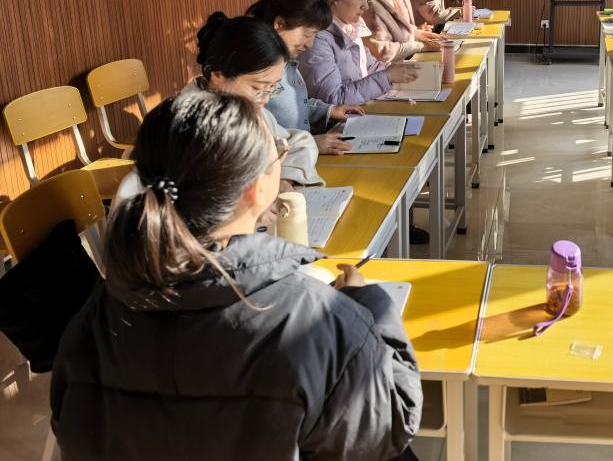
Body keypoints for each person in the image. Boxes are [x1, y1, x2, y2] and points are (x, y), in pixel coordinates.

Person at [51, 90, 422, 459]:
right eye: (279, 149)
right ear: (256, 190)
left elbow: (69, 424)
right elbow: (390, 424)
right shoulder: (317, 316)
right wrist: (370, 305)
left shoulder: (99, 311)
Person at [194, 13, 323, 188]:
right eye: (257, 88)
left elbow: (300, 141)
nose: (266, 99)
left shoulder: (256, 112)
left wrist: (285, 178)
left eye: (273, 87)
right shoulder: (192, 127)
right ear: (218, 76)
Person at [248, 0, 364, 154]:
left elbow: (295, 104)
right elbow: (251, 137)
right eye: (308, 34)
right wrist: (311, 143)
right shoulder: (257, 69)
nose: (310, 44)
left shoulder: (286, 60)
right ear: (280, 24)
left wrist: (329, 110)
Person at [299, 0, 419, 106]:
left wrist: (400, 70)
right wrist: (386, 76)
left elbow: (371, 67)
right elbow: (333, 99)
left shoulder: (351, 28)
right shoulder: (317, 40)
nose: (365, 6)